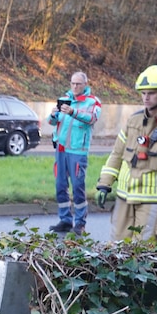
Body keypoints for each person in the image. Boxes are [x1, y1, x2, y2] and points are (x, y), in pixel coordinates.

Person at [95, 65, 157, 241]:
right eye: (143, 93)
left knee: (144, 251)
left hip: (155, 200)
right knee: (117, 248)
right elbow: (117, 154)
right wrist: (104, 184)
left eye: (151, 93)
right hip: (125, 197)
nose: (146, 97)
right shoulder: (133, 121)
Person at [47, 71, 101, 235]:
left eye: (78, 84)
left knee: (78, 187)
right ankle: (65, 220)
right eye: (73, 83)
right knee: (60, 186)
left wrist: (73, 112)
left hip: (78, 151)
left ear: (85, 85)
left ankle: (80, 223)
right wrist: (53, 114)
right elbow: (51, 122)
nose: (75, 86)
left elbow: (91, 118)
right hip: (61, 149)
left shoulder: (93, 102)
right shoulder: (65, 98)